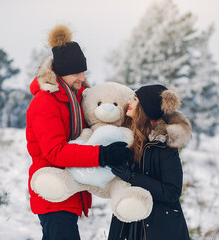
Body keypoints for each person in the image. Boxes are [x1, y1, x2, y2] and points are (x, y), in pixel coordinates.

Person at [26, 25, 132, 240]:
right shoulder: (45, 102)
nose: (82, 77)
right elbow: (55, 152)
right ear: (61, 71)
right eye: (76, 72)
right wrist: (102, 155)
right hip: (53, 190)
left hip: (70, 190)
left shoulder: (76, 98)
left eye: (84, 71)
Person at [108, 84, 191, 240]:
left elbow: (172, 191)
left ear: (146, 107)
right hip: (127, 222)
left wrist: (132, 177)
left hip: (157, 227)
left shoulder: (163, 145)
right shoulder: (126, 136)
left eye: (135, 99)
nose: (129, 102)